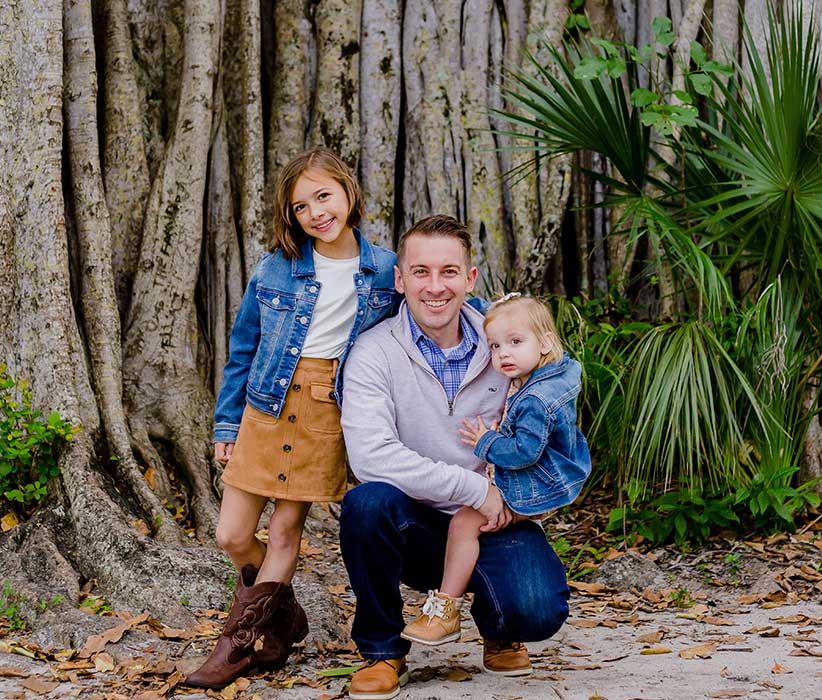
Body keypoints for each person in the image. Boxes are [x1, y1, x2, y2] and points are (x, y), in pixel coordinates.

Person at [185, 148, 398, 690]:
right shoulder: (276, 266)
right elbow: (242, 350)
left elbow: (435, 299)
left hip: (326, 410)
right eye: (301, 206)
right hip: (266, 406)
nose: (315, 213)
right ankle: (282, 612)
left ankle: (238, 645)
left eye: (323, 196)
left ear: (348, 192)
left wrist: (500, 314)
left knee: (284, 529)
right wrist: (227, 425)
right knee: (232, 535)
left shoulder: (386, 270)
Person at [338, 215, 570, 700]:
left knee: (537, 610)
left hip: (497, 519)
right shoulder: (374, 352)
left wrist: (516, 499)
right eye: (420, 272)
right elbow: (370, 456)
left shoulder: (508, 344)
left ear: (470, 278)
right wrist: (473, 489)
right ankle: (383, 653)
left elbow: (553, 433)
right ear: (400, 280)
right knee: (366, 504)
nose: (435, 286)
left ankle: (499, 627)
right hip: (415, 521)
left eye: (448, 272)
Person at [401, 293, 591, 646]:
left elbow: (524, 452)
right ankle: (490, 616)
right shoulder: (552, 373)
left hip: (533, 481)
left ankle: (445, 609)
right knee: (480, 525)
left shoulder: (536, 399)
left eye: (515, 342)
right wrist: (475, 302)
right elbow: (511, 322)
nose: (503, 353)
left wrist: (485, 442)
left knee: (462, 524)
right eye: (494, 345)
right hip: (550, 482)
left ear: (546, 342)